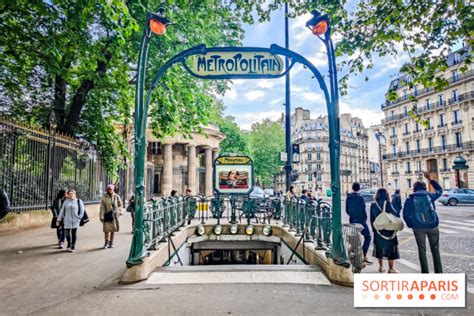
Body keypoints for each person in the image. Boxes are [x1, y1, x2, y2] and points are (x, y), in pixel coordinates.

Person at [403, 171, 443, 273]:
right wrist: (430, 179)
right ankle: (439, 273)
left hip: (418, 227)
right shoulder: (430, 196)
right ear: (425, 188)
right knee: (435, 249)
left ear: (414, 188)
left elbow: (405, 214)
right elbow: (439, 190)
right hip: (433, 225)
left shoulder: (410, 199)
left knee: (422, 250)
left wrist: (411, 225)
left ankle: (425, 273)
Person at [370, 188, 400, 273]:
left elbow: (372, 218)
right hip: (388, 229)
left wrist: (374, 229)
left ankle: (381, 267)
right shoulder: (388, 203)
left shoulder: (373, 204)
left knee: (379, 248)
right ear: (387, 194)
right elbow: (395, 214)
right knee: (391, 249)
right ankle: (391, 268)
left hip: (378, 229)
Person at [346, 182, 372, 264]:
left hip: (352, 220)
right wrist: (364, 219)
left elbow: (347, 210)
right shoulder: (361, 198)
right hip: (360, 221)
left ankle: (355, 255)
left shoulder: (348, 198)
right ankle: (363, 255)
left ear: (352, 188)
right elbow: (363, 210)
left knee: (354, 239)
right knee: (368, 237)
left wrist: (352, 216)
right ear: (359, 188)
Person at [100, 184, 122, 249]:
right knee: (106, 231)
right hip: (107, 216)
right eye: (108, 189)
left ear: (113, 189)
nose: (109, 190)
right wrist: (101, 216)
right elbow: (102, 208)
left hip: (114, 216)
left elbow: (120, 204)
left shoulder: (116, 196)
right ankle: (106, 243)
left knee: (113, 230)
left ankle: (111, 243)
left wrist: (118, 211)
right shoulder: (104, 197)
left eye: (110, 189)